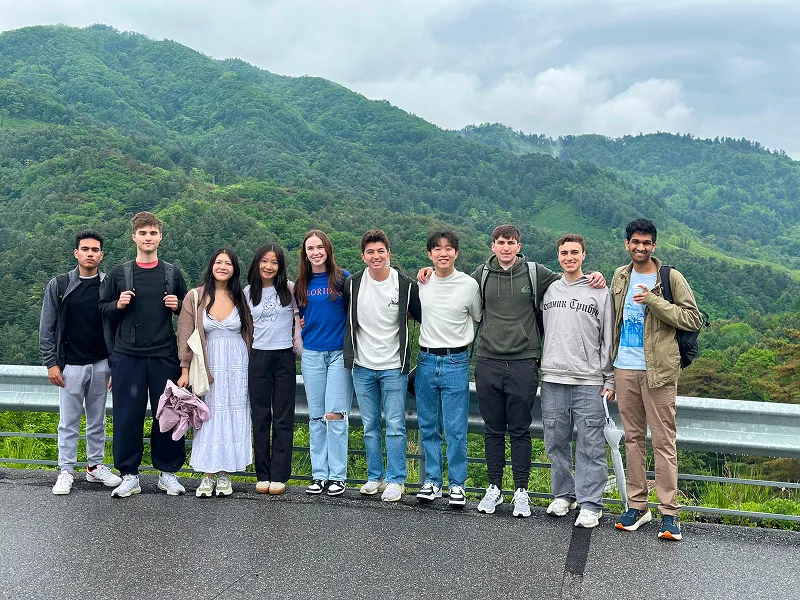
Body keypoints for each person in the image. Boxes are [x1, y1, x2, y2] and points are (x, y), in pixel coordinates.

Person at [417, 224, 604, 518]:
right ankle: (494, 487)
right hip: (488, 360)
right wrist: (425, 272)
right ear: (492, 246)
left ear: (519, 246)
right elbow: (460, 295)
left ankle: (521, 491)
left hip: (524, 362)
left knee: (519, 430)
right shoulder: (480, 276)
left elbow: (569, 280)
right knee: (493, 430)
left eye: (511, 242)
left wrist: (594, 276)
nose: (506, 247)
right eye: (500, 242)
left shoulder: (535, 273)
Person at [611, 218, 703, 541]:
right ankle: (638, 506)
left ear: (654, 245)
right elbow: (613, 321)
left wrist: (653, 299)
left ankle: (669, 513)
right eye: (635, 242)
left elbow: (693, 318)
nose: (640, 247)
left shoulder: (669, 278)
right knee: (633, 439)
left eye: (646, 242)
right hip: (624, 368)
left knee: (664, 443)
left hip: (659, 372)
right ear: (627, 244)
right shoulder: (620, 276)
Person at [99, 211, 189, 498]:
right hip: (127, 356)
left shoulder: (172, 273)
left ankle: (168, 472)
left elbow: (189, 314)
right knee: (127, 416)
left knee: (168, 413)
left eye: (153, 233)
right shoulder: (119, 274)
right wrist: (118, 304)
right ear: (134, 237)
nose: (148, 237)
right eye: (143, 233)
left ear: (160, 237)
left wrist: (177, 305)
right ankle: (129, 474)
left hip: (164, 355)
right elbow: (102, 310)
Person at [540, 234, 614, 528]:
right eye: (563, 252)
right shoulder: (549, 290)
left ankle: (590, 504)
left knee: (590, 444)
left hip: (588, 379)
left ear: (584, 255)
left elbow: (608, 337)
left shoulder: (600, 291)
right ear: (558, 256)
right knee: (555, 441)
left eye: (574, 252)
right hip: (553, 377)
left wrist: (609, 379)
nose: (569, 257)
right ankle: (563, 495)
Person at [39, 230, 122, 495]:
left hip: (101, 363)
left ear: (101, 255)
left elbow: (119, 328)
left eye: (95, 250)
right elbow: (47, 326)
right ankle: (66, 470)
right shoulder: (60, 285)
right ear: (76, 253)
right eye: (85, 249)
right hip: (70, 365)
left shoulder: (108, 285)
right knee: (68, 421)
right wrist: (51, 363)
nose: (90, 254)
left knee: (98, 420)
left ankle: (95, 466)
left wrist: (115, 366)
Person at [342, 230, 421, 503]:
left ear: (389, 253)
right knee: (369, 425)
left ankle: (396, 480)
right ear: (363, 256)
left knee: (396, 425)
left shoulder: (405, 285)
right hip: (362, 366)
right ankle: (375, 477)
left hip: (393, 366)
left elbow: (425, 316)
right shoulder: (352, 285)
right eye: (370, 252)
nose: (376, 256)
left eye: (380, 251)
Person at [177, 248, 253, 498]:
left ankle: (225, 474)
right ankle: (207, 475)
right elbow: (186, 335)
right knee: (208, 415)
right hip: (208, 363)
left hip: (237, 363)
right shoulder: (195, 296)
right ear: (211, 266)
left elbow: (251, 332)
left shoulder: (242, 297)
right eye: (218, 262)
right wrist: (185, 369)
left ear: (235, 269)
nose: (223, 266)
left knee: (234, 414)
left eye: (228, 263)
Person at [415, 229, 482, 507]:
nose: (443, 253)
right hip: (425, 360)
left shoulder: (469, 285)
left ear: (456, 252)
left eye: (449, 248)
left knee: (455, 428)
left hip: (456, 361)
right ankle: (432, 481)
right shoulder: (422, 283)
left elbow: (478, 316)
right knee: (428, 426)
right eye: (437, 248)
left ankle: (457, 484)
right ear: (430, 254)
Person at [295, 230, 353, 496]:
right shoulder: (301, 283)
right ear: (305, 253)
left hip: (339, 353)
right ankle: (319, 475)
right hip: (313, 354)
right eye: (310, 248)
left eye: (320, 247)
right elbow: (300, 317)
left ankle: (337, 476)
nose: (315, 252)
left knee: (336, 415)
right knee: (316, 416)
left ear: (328, 250)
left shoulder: (343, 278)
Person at [245, 243, 301, 495]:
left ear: (280, 266)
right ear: (257, 263)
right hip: (257, 357)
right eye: (264, 261)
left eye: (274, 262)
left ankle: (279, 475)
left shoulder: (289, 289)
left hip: (284, 357)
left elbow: (302, 319)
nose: (269, 266)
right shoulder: (247, 293)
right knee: (260, 417)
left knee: (282, 416)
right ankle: (262, 474)